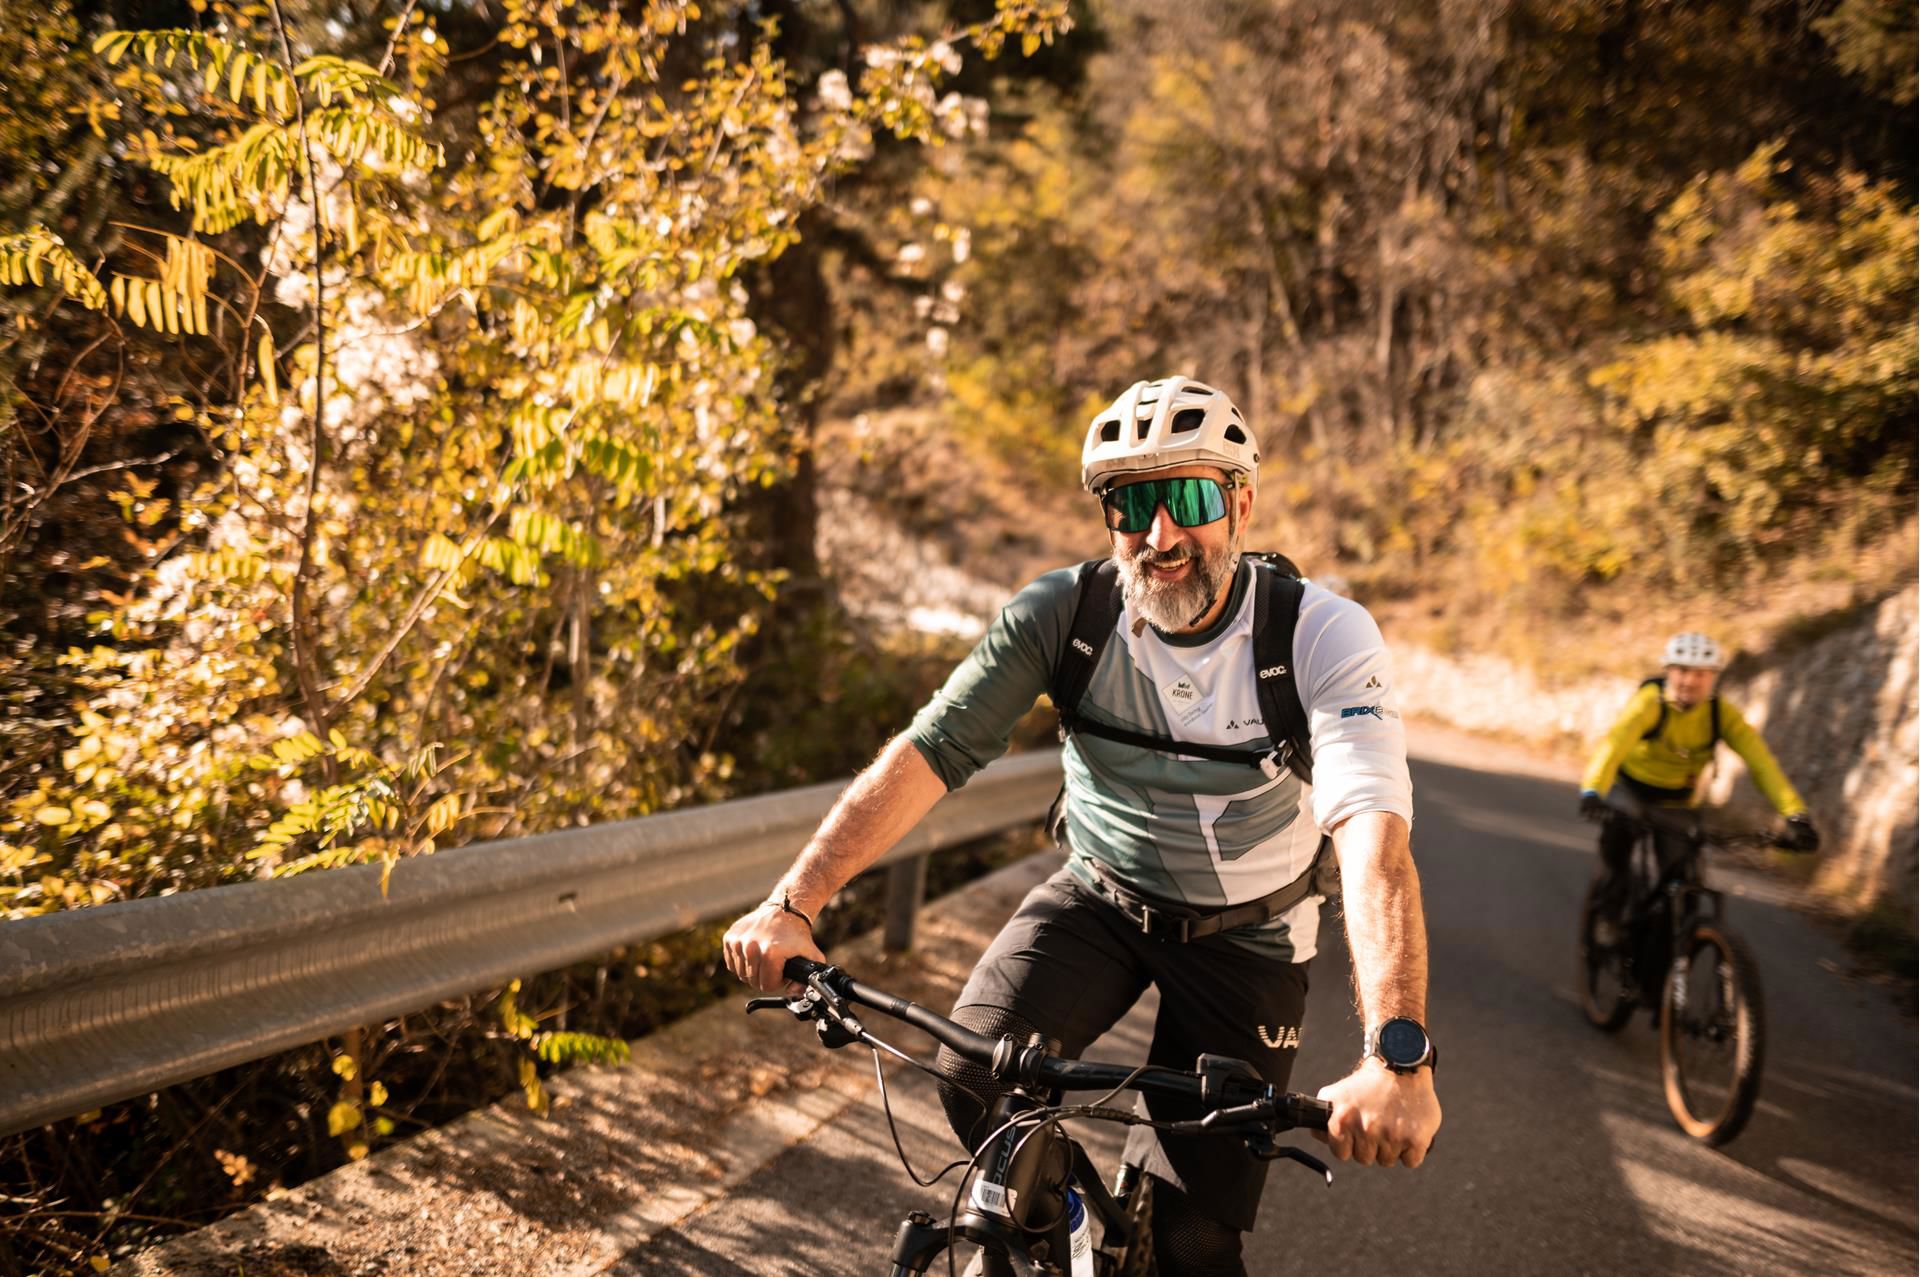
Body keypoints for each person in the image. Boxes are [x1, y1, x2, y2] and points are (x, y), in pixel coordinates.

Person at [724, 376, 1440, 1276]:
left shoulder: (1317, 635)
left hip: (1249, 937)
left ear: (1241, 504)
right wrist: (793, 902)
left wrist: (1397, 1054)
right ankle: (1064, 1222)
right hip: (1099, 899)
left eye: (1188, 499)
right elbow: (930, 751)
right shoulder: (1065, 614)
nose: (1160, 535)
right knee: (975, 1079)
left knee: (1192, 1241)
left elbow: (1374, 844)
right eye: (1132, 504)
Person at [1578, 631, 1819, 923]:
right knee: (1617, 850)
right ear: (1668, 671)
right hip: (1631, 791)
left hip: (1677, 802)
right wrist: (1592, 790)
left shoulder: (1720, 714)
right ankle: (1608, 914)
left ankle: (1677, 940)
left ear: (1713, 677)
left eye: (1701, 674)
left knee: (1685, 885)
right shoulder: (1650, 703)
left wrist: (1795, 815)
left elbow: (1762, 764)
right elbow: (1613, 746)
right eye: (1682, 670)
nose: (1690, 681)